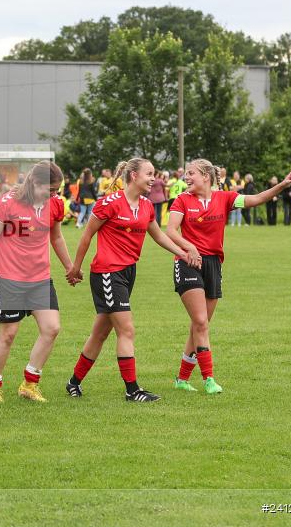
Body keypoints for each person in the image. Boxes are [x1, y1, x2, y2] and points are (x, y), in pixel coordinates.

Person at [64, 158, 200, 403]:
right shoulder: (110, 203)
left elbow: (158, 236)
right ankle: (132, 390)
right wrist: (75, 268)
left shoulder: (147, 205)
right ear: (133, 176)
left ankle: (73, 382)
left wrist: (183, 253)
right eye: (149, 174)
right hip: (107, 273)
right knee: (126, 330)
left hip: (127, 273)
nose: (153, 178)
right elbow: (87, 236)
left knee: (100, 333)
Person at [165, 161, 291, 395]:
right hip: (188, 262)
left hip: (214, 265)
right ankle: (209, 379)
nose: (186, 177)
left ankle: (181, 379)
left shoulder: (225, 198)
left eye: (191, 173)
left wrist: (281, 186)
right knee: (201, 322)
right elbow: (170, 231)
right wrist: (190, 248)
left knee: (199, 325)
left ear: (206, 176)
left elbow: (256, 198)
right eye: (186, 173)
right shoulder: (182, 200)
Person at [0, 161, 76, 403]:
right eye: (52, 189)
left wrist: (70, 266)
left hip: (40, 278)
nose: (56, 195)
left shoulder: (54, 204)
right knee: (8, 334)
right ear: (35, 182)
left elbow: (56, 237)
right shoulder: (8, 201)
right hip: (9, 277)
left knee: (51, 328)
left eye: (58, 190)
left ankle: (30, 383)